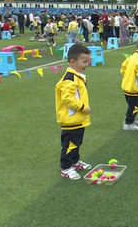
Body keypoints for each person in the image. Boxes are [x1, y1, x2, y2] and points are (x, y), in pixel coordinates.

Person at [55, 44, 92, 180]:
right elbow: (67, 98)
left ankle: (75, 162)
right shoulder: (69, 78)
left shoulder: (78, 76)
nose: (86, 65)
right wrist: (83, 107)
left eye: (87, 61)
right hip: (70, 119)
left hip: (78, 119)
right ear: (72, 62)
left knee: (77, 142)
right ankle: (65, 167)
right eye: (84, 62)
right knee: (70, 144)